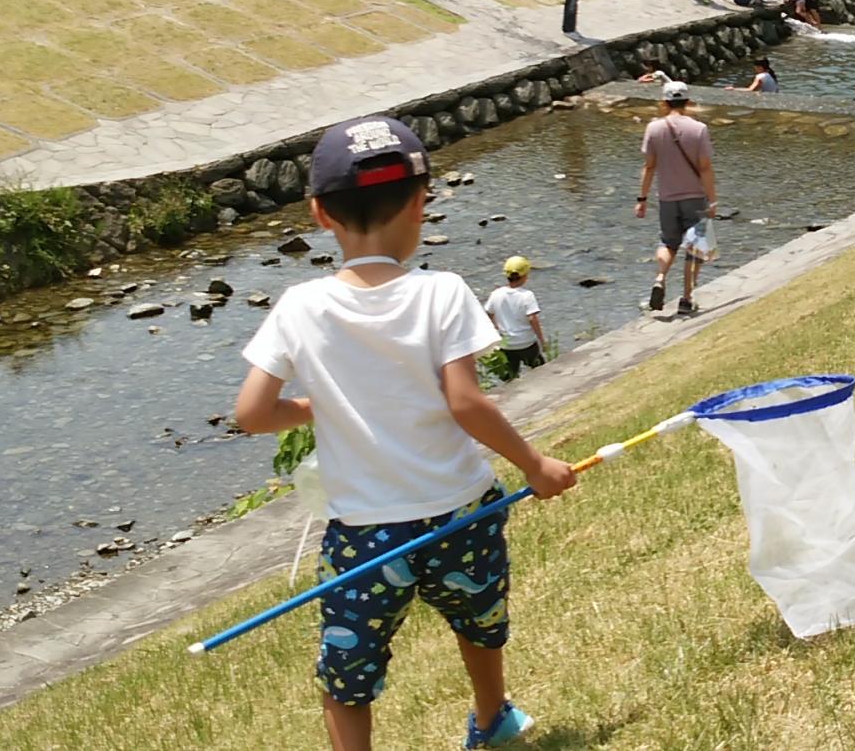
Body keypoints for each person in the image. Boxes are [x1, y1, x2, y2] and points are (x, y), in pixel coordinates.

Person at [235, 115, 576, 751]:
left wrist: (317, 406)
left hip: (363, 533)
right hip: (460, 512)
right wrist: (534, 464)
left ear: (319, 213)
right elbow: (465, 402)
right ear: (421, 204)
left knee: (348, 672)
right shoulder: (442, 291)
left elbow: (253, 414)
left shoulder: (299, 305)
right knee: (480, 622)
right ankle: (492, 718)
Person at [637, 82, 716, 316]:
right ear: (688, 102)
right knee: (696, 247)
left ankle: (660, 278)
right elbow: (705, 167)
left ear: (664, 102)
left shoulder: (653, 128)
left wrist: (642, 198)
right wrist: (712, 199)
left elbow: (649, 166)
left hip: (667, 198)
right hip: (695, 197)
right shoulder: (699, 129)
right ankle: (687, 298)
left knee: (668, 243)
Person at [484, 256, 547, 379]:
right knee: (541, 370)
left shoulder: (496, 294)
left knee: (511, 376)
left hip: (506, 344)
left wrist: (496, 328)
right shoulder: (527, 295)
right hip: (526, 343)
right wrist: (542, 340)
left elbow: (488, 313)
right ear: (525, 276)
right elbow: (532, 319)